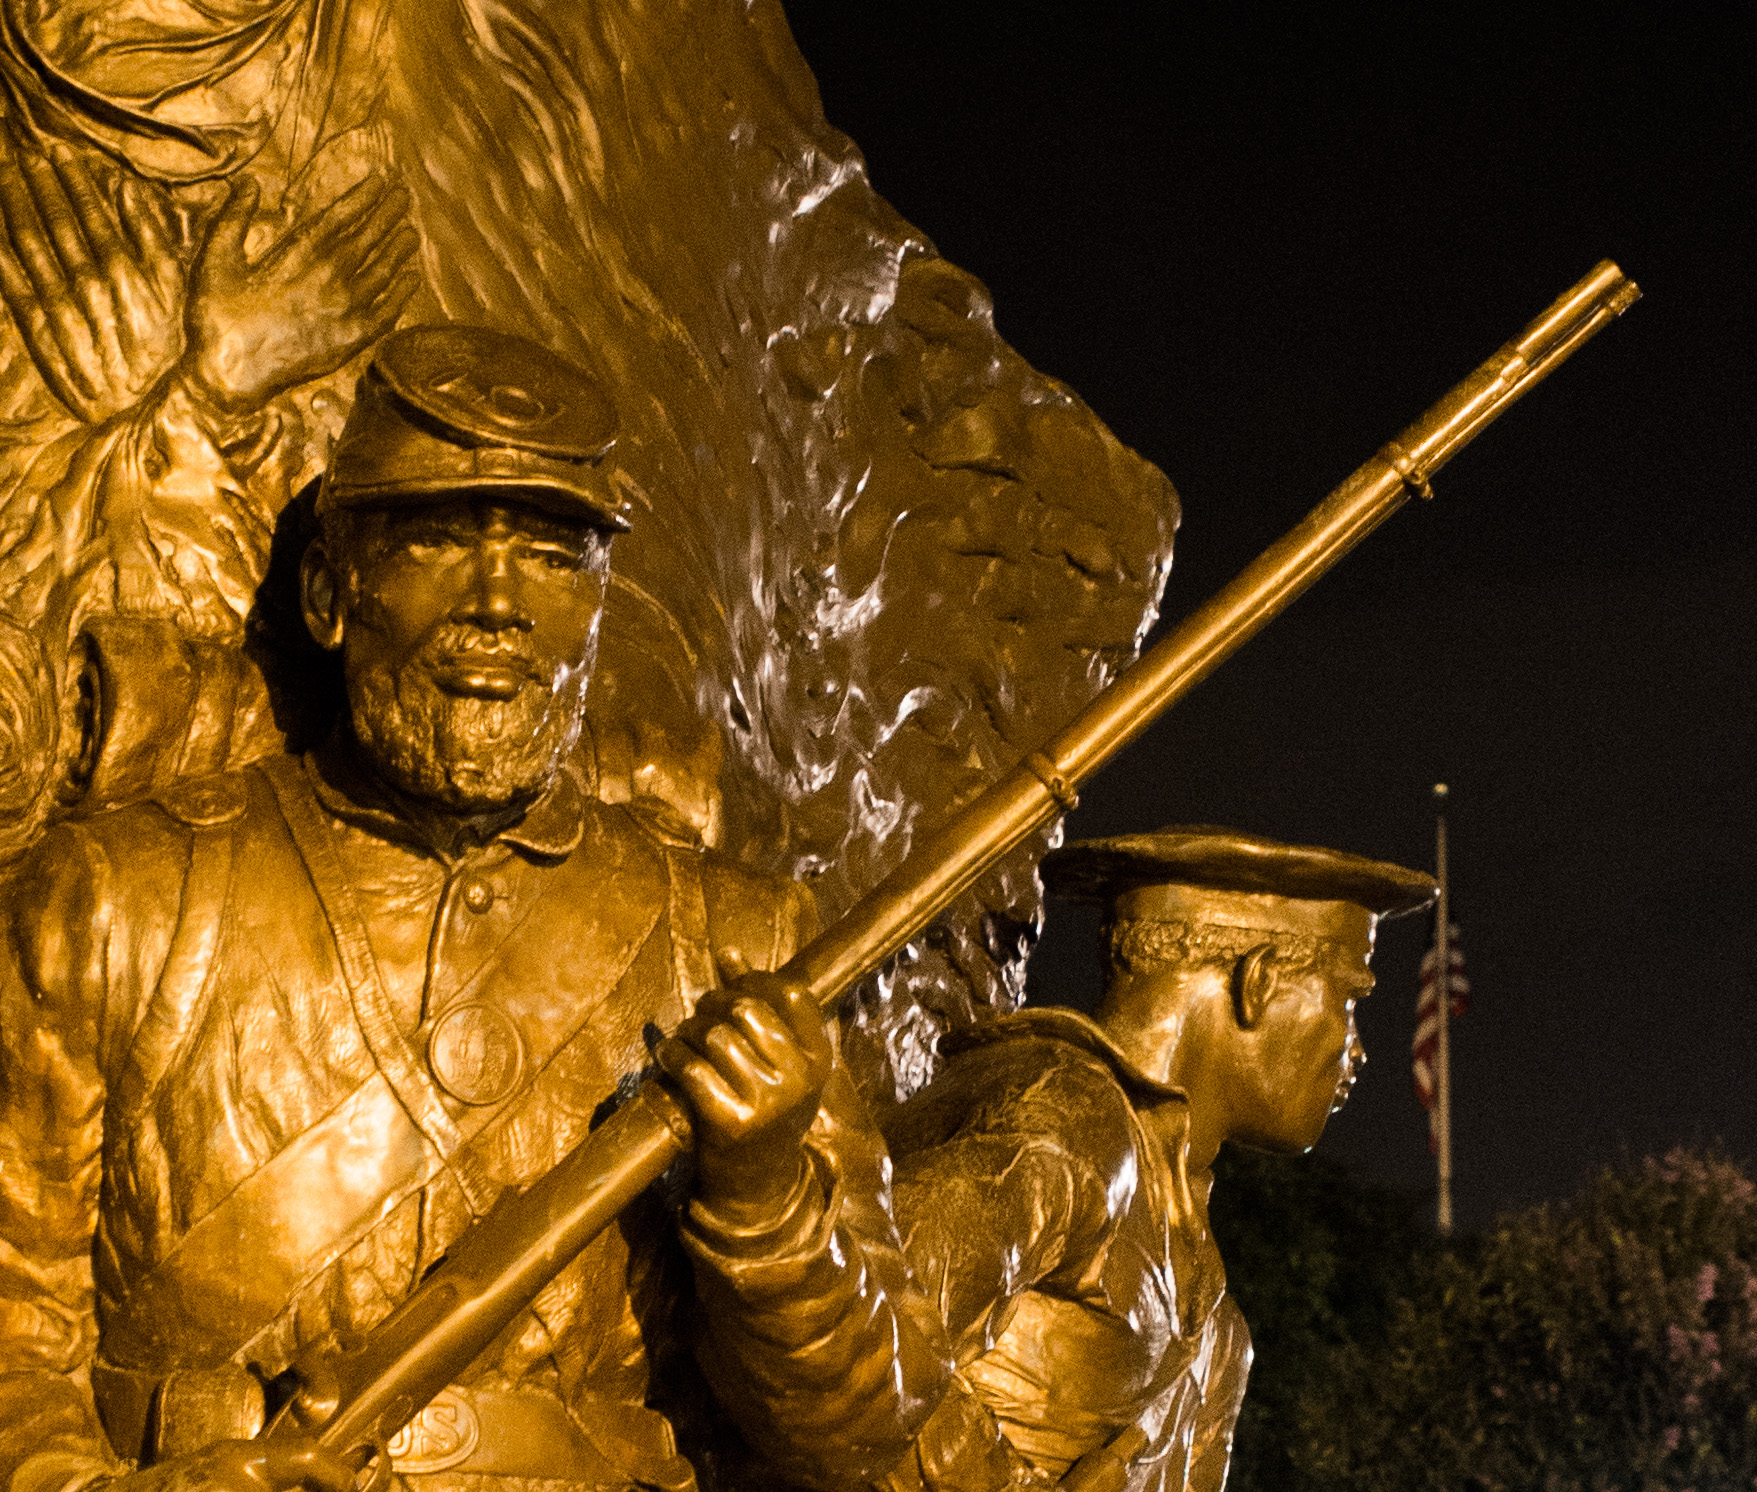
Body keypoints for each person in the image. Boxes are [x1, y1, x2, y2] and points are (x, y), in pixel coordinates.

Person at [0, 326, 945, 1492]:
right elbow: (14, 1344)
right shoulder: (110, 901)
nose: (497, 602)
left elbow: (863, 1435)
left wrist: (763, 1202)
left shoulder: (736, 943)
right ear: (329, 591)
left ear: (599, 608)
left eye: (553, 557)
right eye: (439, 540)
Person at [877, 827, 1435, 1492]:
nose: (1355, 1050)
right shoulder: (1067, 1125)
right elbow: (863, 1334)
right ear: (1255, 981)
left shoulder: (1213, 1320)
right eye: (1347, 1002)